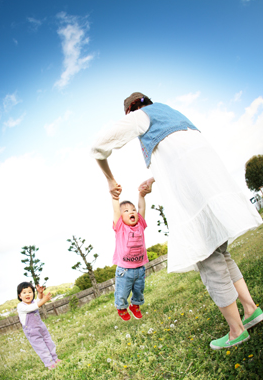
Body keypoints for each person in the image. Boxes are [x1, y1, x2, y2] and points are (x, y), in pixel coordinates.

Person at [91, 92, 263, 350]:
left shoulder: (139, 117)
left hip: (191, 197)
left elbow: (97, 147)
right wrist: (152, 179)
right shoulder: (171, 112)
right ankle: (250, 309)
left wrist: (109, 179)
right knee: (222, 253)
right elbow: (182, 156)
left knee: (207, 256)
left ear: (130, 111)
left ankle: (236, 329)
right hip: (211, 185)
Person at [112, 190, 148, 321]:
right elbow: (116, 211)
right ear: (121, 217)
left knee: (139, 290)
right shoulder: (120, 227)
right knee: (122, 293)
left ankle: (135, 306)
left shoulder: (140, 225)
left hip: (140, 268)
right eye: (126, 211)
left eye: (133, 210)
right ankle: (121, 307)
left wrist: (141, 196)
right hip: (124, 270)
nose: (132, 212)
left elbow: (141, 207)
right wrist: (115, 198)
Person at [17, 282, 61, 369]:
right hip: (32, 332)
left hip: (41, 327)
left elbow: (38, 301)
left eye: (30, 292)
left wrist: (40, 293)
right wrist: (44, 300)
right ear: (20, 296)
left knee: (49, 343)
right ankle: (50, 363)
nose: (27, 294)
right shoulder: (21, 306)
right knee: (41, 347)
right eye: (24, 293)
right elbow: (34, 307)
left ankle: (55, 359)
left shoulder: (33, 302)